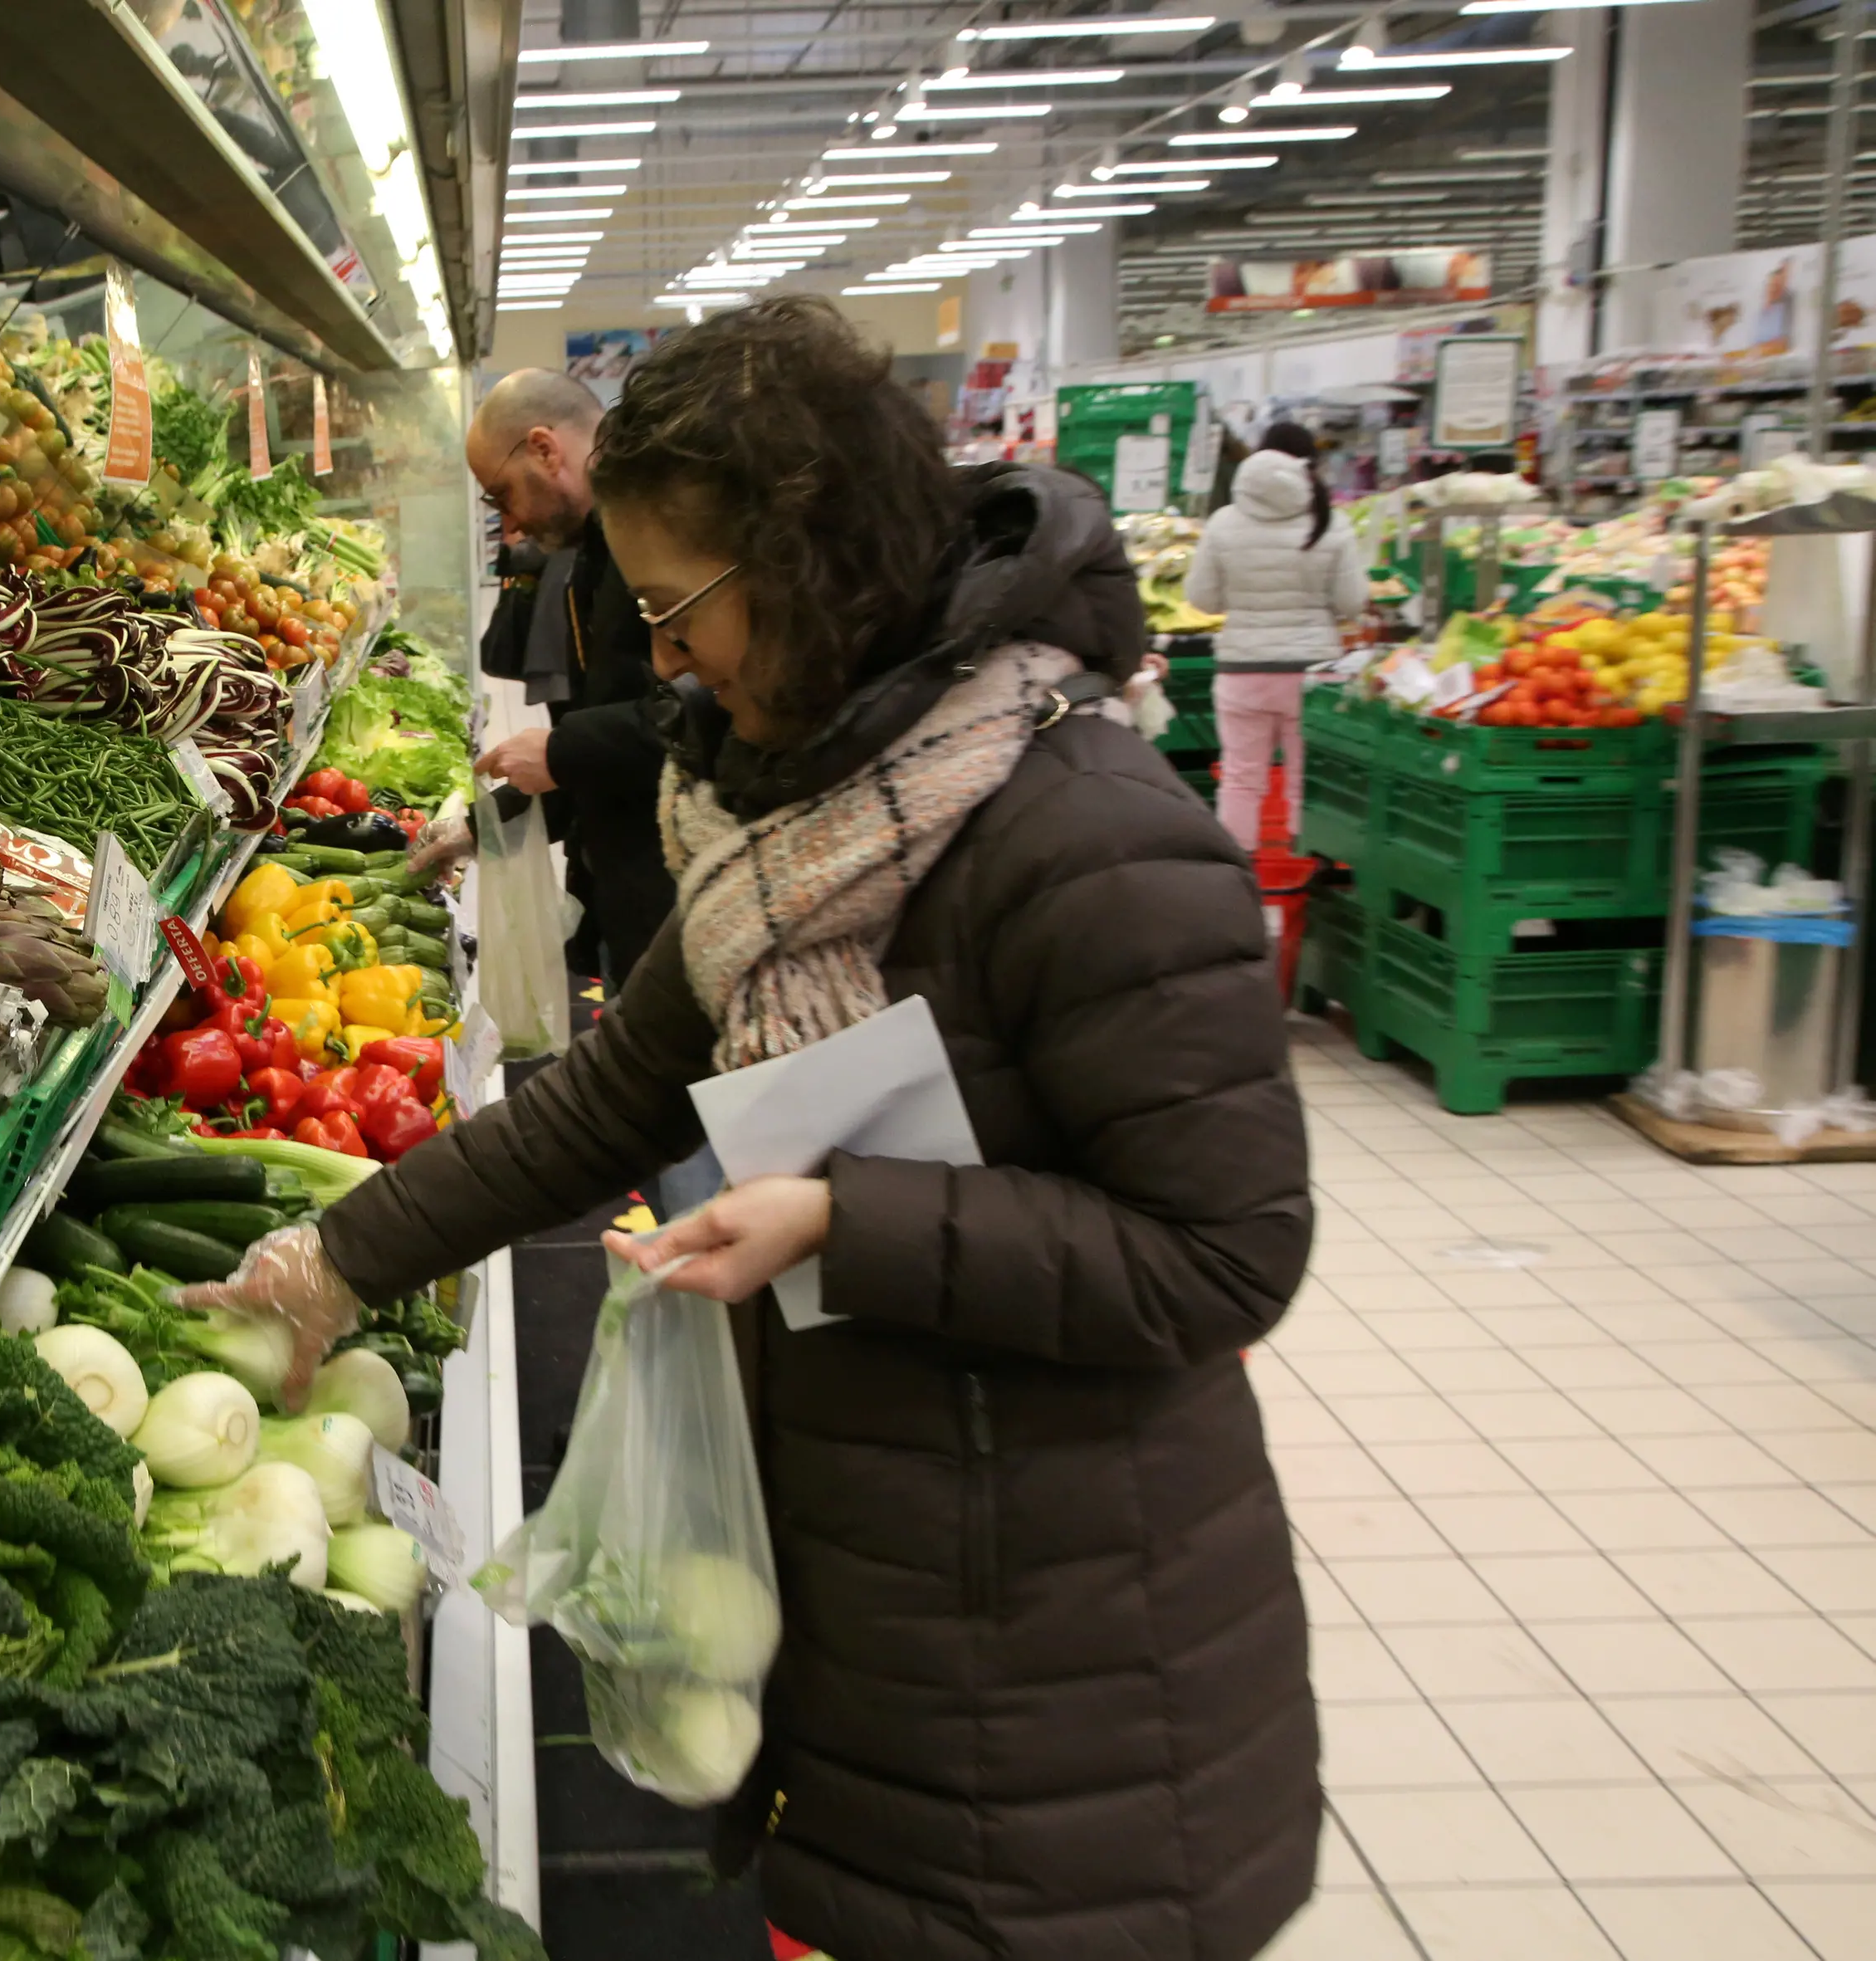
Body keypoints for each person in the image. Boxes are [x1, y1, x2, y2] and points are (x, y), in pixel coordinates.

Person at [188, 299, 1319, 1961]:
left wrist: (844, 1221)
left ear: (807, 564)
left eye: (674, 610)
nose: (660, 661)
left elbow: (1225, 1254)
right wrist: (333, 1258)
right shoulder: (767, 806)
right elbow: (612, 1091)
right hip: (874, 1584)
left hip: (1069, 1640)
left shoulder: (1089, 841)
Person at [460, 369, 676, 990]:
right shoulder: (597, 550)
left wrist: (562, 749)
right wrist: (480, 828)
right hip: (631, 884)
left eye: (501, 496)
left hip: (668, 893)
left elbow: (686, 718)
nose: (514, 526)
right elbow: (619, 729)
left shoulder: (649, 543)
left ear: (544, 449)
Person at [1185, 421, 1365, 852]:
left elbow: (1201, 599)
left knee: (1242, 777)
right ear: (1309, 466)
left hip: (1243, 669)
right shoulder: (1331, 522)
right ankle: (1310, 871)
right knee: (1310, 777)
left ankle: (1238, 874)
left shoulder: (1223, 523)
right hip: (1313, 672)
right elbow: (1353, 603)